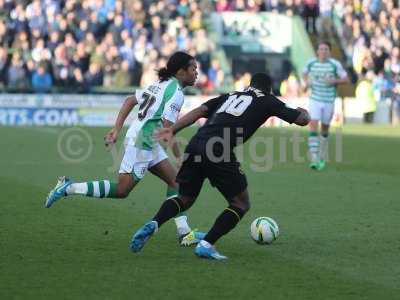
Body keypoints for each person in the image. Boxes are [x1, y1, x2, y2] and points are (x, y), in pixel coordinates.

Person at [129, 73, 310, 260]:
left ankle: (154, 223)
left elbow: (199, 111)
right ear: (269, 89)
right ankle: (206, 245)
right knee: (240, 203)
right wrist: (303, 111)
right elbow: (302, 119)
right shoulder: (269, 101)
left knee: (184, 197)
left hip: (196, 143)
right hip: (218, 149)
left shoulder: (229, 96)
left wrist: (172, 129)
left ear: (250, 85)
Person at [44, 51, 204, 246]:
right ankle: (69, 187)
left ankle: (184, 232)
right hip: (142, 142)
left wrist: (117, 129)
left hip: (145, 139)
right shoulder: (176, 93)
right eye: (193, 68)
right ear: (181, 71)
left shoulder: (160, 84)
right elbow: (168, 130)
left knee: (175, 182)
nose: (197, 73)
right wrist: (180, 157)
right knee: (122, 189)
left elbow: (130, 100)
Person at [303, 41, 349, 170]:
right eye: (321, 49)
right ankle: (314, 158)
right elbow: (304, 73)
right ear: (317, 51)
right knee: (313, 123)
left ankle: (322, 155)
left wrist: (334, 80)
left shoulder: (335, 65)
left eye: (326, 49)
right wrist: (307, 82)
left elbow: (346, 79)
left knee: (324, 129)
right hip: (315, 99)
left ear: (329, 51)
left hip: (328, 100)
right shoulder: (311, 63)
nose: (323, 51)